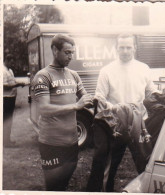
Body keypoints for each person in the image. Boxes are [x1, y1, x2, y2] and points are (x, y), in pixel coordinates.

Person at [86, 34, 158, 192]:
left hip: (139, 124)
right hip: (116, 126)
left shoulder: (143, 68)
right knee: (108, 167)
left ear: (134, 48)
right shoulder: (106, 70)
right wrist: (115, 109)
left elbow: (152, 93)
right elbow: (100, 96)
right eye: (121, 47)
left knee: (146, 165)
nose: (125, 51)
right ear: (116, 48)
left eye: (128, 47)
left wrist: (159, 97)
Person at [32, 34, 93, 191]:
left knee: (64, 183)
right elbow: (44, 109)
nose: (70, 56)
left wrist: (100, 101)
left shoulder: (73, 74)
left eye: (72, 52)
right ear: (54, 50)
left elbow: (85, 98)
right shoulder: (43, 76)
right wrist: (75, 106)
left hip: (72, 142)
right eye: (67, 52)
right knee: (53, 187)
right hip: (51, 143)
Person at [3, 54, 26, 147]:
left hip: (12, 97)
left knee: (9, 119)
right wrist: (17, 85)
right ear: (7, 61)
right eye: (11, 62)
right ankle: (6, 142)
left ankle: (7, 139)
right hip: (6, 98)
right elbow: (4, 86)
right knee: (6, 120)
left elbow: (12, 81)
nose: (12, 64)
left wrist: (19, 83)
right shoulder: (3, 71)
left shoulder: (10, 70)